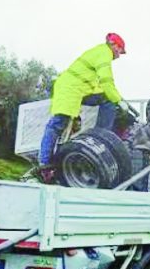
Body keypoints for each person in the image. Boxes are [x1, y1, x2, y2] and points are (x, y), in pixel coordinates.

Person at [37, 33, 130, 182]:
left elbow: (99, 85)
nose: (119, 55)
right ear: (114, 46)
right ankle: (44, 162)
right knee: (57, 124)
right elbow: (107, 81)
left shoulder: (99, 52)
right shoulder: (104, 53)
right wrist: (118, 100)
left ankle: (99, 136)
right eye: (120, 51)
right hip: (70, 89)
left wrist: (118, 100)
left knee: (108, 102)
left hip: (79, 90)